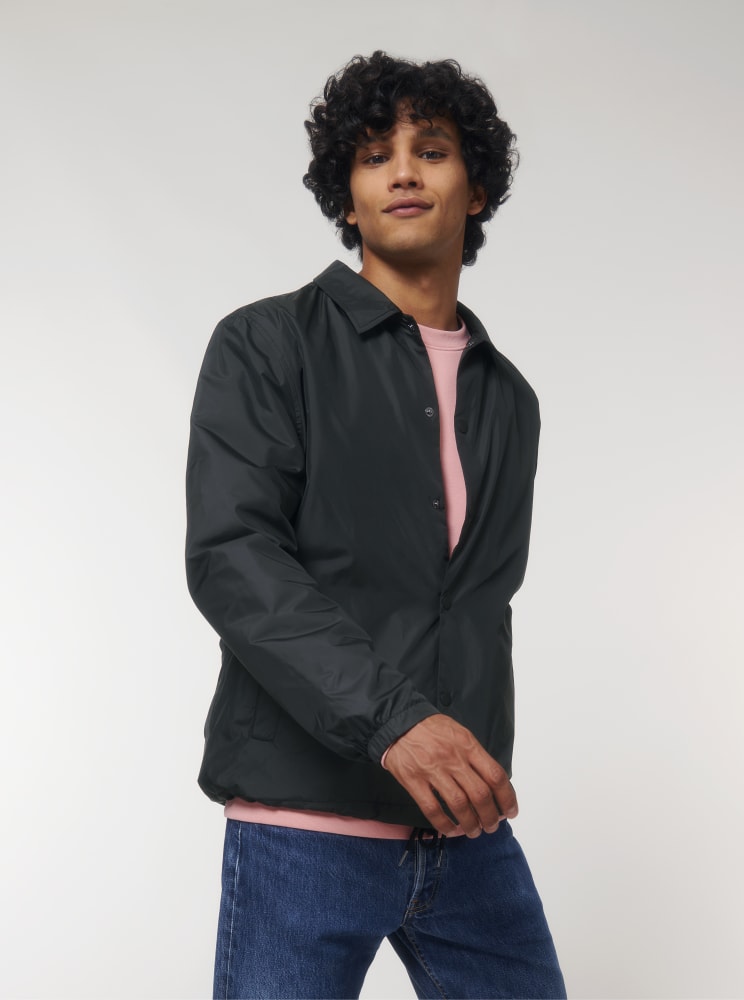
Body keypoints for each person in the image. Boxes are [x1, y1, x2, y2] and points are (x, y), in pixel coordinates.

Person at [185, 50, 566, 1000]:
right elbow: (236, 560)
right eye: (373, 156)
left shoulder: (509, 398)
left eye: (431, 151)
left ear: (476, 189)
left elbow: (479, 603)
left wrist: (466, 758)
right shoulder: (267, 344)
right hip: (305, 827)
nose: (402, 172)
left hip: (463, 828)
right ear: (346, 200)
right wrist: (398, 722)